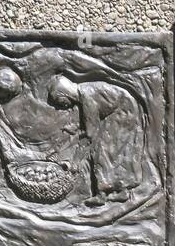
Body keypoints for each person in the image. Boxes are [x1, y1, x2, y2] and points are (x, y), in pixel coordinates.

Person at [48, 76, 145, 206]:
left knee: (102, 152)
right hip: (124, 110)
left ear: (64, 94)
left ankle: (102, 194)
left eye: (58, 100)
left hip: (122, 114)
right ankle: (122, 192)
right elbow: (91, 120)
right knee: (115, 152)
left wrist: (75, 160)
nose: (59, 106)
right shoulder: (84, 92)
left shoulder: (87, 96)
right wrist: (77, 129)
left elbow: (90, 133)